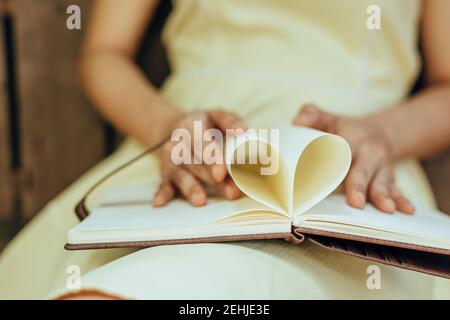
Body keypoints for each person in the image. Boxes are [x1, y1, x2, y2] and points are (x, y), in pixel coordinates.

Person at [1, 0, 450, 299]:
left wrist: (382, 135)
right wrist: (166, 125)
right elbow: (103, 52)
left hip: (354, 170)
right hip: (181, 149)